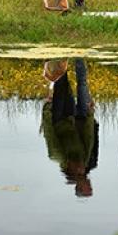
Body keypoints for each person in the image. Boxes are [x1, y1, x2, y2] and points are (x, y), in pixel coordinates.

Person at [42, 59, 98, 197]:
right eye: (82, 172)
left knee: (61, 83)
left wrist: (48, 108)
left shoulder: (56, 154)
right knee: (65, 82)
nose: (81, 168)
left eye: (79, 172)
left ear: (70, 169)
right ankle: (67, 57)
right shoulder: (85, 161)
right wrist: (90, 113)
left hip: (59, 118)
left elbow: (49, 132)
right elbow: (88, 135)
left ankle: (52, 58)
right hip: (72, 118)